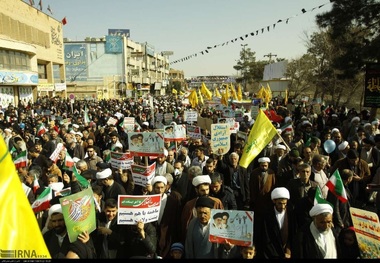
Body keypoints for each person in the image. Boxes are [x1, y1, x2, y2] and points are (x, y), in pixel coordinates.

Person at [256, 187, 294, 259]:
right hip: (270, 254)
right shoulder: (266, 215)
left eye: (284, 203)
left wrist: (289, 250)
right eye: (279, 203)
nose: (282, 206)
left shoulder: (291, 214)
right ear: (274, 201)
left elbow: (292, 234)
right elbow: (264, 236)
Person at [150, 176, 181, 259]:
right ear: (153, 188)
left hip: (167, 236)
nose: (159, 190)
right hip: (152, 236)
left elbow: (176, 221)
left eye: (162, 187)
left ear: (165, 188)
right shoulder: (148, 200)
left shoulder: (172, 201)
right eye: (157, 188)